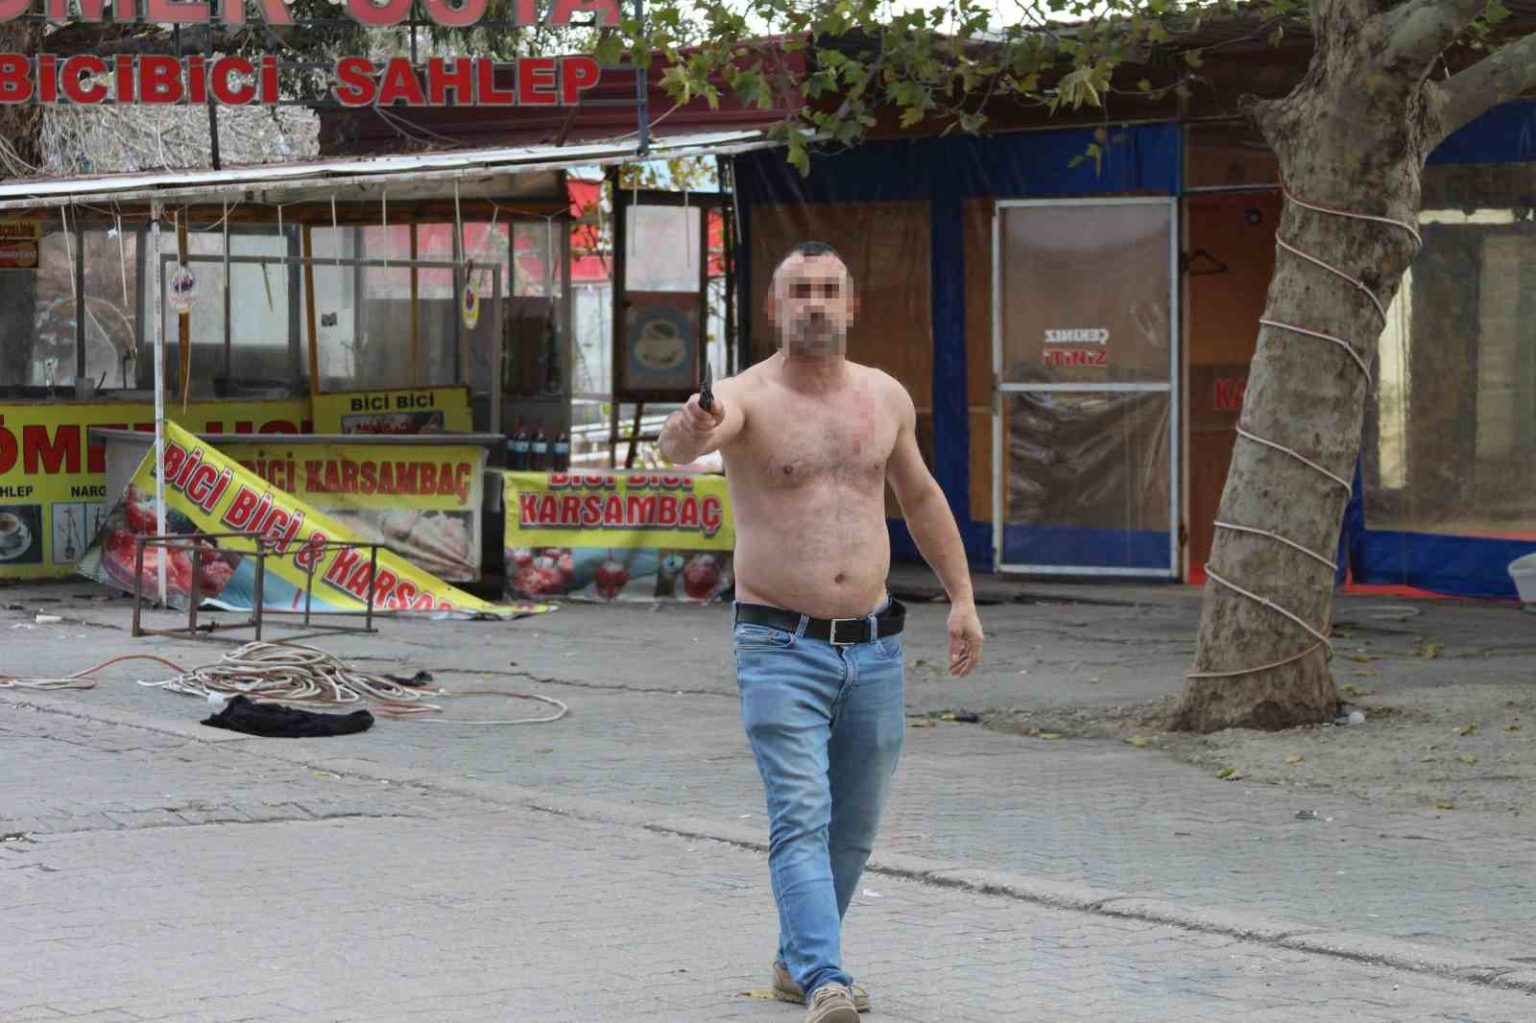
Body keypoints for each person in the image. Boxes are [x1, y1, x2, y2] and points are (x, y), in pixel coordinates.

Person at [659, 241, 984, 1023]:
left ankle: (794, 958)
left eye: (828, 290)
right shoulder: (746, 397)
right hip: (778, 644)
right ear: (775, 307)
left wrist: (963, 597)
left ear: (851, 305)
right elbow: (683, 446)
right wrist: (690, 426)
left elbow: (922, 497)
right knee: (801, 812)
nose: (814, 303)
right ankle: (824, 978)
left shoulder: (885, 397)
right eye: (799, 290)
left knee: (855, 825)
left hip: (873, 647)